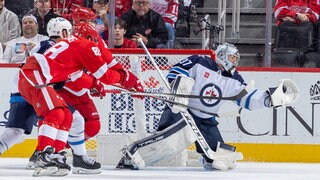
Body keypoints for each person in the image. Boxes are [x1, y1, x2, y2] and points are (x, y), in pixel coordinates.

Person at [116, 43, 299, 171]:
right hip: (181, 110)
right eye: (231, 56)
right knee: (166, 140)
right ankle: (131, 155)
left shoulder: (234, 79)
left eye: (236, 58)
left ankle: (206, 155)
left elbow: (246, 98)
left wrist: (269, 99)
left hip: (205, 119)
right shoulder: (199, 61)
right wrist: (182, 86)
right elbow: (176, 72)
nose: (234, 60)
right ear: (221, 54)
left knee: (218, 157)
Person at [18, 22, 144, 176]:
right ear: (91, 37)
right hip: (35, 76)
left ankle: (56, 155)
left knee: (67, 116)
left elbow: (78, 77)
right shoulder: (87, 46)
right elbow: (107, 76)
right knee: (56, 113)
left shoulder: (71, 44)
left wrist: (95, 84)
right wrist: (128, 78)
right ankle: (42, 156)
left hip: (36, 76)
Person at [26, 17, 102, 174]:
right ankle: (44, 155)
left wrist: (92, 82)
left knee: (72, 118)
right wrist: (92, 82)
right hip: (39, 86)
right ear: (64, 31)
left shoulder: (50, 45)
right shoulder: (56, 46)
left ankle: (58, 154)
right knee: (58, 116)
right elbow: (68, 73)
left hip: (39, 85)